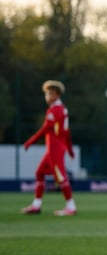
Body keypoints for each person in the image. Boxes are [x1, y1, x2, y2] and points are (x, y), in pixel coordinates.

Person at [21, 80, 77, 216]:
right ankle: (36, 205)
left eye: (50, 93)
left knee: (61, 176)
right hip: (56, 147)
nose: (47, 96)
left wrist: (30, 141)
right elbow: (67, 132)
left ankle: (71, 206)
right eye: (46, 93)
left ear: (57, 95)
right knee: (39, 173)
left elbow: (46, 129)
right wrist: (69, 149)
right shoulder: (63, 109)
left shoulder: (55, 110)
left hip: (55, 148)